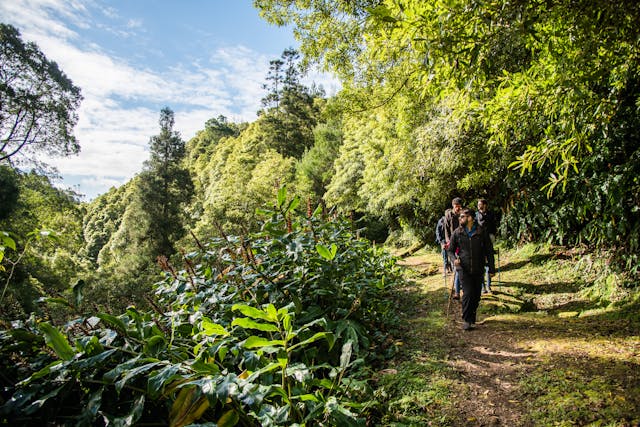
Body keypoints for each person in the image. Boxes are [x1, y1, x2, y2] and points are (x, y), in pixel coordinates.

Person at [449, 208, 495, 330]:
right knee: (468, 293)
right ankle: (466, 320)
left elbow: (489, 251)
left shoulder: (481, 231)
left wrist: (491, 269)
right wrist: (454, 259)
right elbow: (450, 250)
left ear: (470, 218)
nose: (460, 219)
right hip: (463, 268)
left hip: (478, 267)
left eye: (463, 217)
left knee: (476, 295)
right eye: (460, 217)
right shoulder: (457, 233)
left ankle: (472, 316)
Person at [476, 198, 498, 294]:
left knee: (489, 264)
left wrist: (493, 236)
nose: (478, 206)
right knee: (480, 264)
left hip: (489, 241)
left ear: (484, 205)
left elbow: (494, 226)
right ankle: (482, 287)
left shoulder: (490, 214)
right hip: (479, 242)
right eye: (478, 204)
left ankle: (489, 286)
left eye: (480, 204)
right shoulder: (476, 215)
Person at [443, 197, 463, 298]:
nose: (457, 208)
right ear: (453, 206)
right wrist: (448, 241)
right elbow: (446, 230)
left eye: (459, 206)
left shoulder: (463, 215)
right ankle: (457, 290)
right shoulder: (448, 215)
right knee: (456, 265)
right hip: (452, 243)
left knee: (461, 265)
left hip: (463, 242)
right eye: (456, 207)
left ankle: (459, 288)